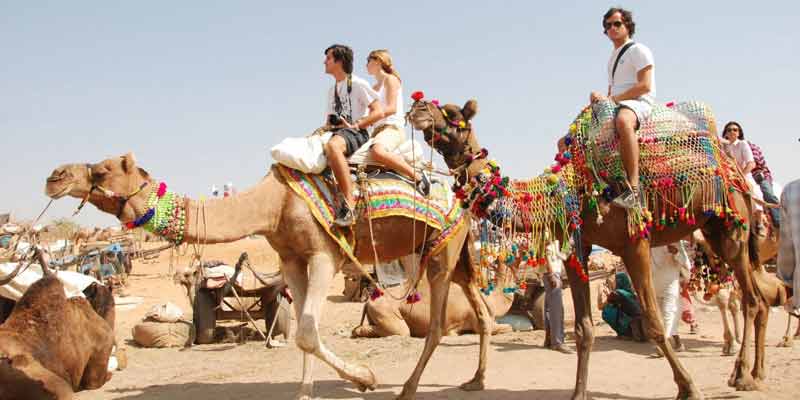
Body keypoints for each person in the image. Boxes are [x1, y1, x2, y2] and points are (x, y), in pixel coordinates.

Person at [589, 7, 656, 209]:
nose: (612, 28)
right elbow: (612, 90)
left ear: (627, 26)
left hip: (638, 102)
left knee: (623, 121)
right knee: (580, 136)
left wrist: (614, 99)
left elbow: (645, 85)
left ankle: (634, 188)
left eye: (617, 23)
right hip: (618, 102)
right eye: (608, 25)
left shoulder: (639, 50)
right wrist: (602, 98)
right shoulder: (612, 59)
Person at [322, 44, 384, 226]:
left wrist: (357, 124)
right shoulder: (331, 90)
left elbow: (378, 112)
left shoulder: (357, 83)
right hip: (338, 132)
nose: (324, 62)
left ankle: (349, 204)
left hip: (357, 133)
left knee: (333, 147)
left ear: (339, 61)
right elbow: (328, 121)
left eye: (328, 58)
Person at [360, 49, 429, 195]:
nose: (366, 64)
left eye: (368, 60)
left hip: (392, 129)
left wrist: (373, 117)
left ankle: (418, 177)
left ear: (378, 61)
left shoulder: (391, 79)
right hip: (377, 132)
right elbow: (368, 115)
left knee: (377, 151)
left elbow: (391, 108)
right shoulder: (372, 89)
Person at [720, 121, 765, 229]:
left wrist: (742, 175)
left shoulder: (743, 144)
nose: (732, 132)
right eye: (729, 130)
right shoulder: (722, 146)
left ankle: (759, 223)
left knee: (754, 191)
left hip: (743, 175)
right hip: (728, 176)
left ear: (739, 133)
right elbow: (711, 135)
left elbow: (751, 163)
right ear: (725, 133)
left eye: (735, 130)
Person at [650, 242, 692, 356]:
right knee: (661, 316)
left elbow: (686, 264)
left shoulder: (675, 241)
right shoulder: (649, 243)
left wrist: (676, 253)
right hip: (654, 285)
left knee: (668, 312)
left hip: (670, 284)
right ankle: (676, 342)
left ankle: (664, 345)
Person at [542, 241, 574, 354]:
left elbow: (563, 256)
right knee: (557, 310)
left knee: (549, 309)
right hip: (551, 274)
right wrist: (551, 274)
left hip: (553, 273)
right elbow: (545, 254)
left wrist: (568, 245)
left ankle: (550, 340)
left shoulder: (559, 238)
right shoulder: (548, 233)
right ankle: (558, 342)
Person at [598, 271, 646, 341]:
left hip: (632, 326)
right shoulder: (631, 292)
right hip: (641, 324)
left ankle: (625, 333)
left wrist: (600, 291)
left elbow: (600, 307)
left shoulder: (618, 293)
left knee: (606, 312)